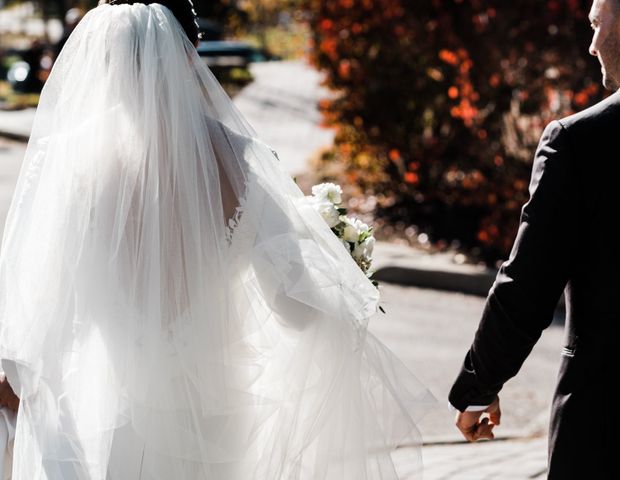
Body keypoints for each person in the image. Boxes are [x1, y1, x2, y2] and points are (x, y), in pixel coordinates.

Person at [0, 1, 436, 479]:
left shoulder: (69, 161)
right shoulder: (240, 161)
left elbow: (39, 309)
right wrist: (337, 260)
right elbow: (296, 311)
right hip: (212, 417)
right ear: (192, 53)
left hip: (102, 412)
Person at [448, 0, 620, 478]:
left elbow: (528, 284)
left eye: (598, 24)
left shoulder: (582, 140)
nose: (592, 45)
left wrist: (478, 383)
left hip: (611, 428)